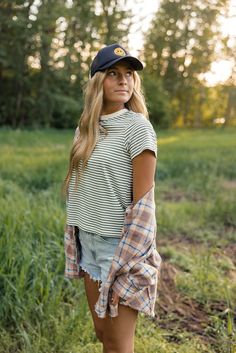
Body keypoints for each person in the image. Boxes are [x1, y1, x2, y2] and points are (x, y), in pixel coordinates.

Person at [63, 43, 161, 353]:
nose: (123, 80)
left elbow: (144, 207)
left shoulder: (138, 128)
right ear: (97, 81)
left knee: (119, 344)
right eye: (113, 73)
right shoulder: (85, 130)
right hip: (88, 242)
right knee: (102, 333)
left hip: (119, 249)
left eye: (129, 74)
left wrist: (126, 265)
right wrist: (75, 239)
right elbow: (81, 191)